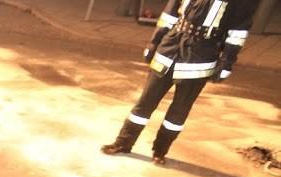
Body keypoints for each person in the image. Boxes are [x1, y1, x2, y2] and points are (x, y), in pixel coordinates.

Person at [101, 0, 257, 164]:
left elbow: (238, 32)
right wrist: (154, 42)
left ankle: (160, 151)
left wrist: (226, 62)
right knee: (145, 101)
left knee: (179, 111)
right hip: (170, 47)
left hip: (201, 56)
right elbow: (170, 14)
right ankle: (123, 143)